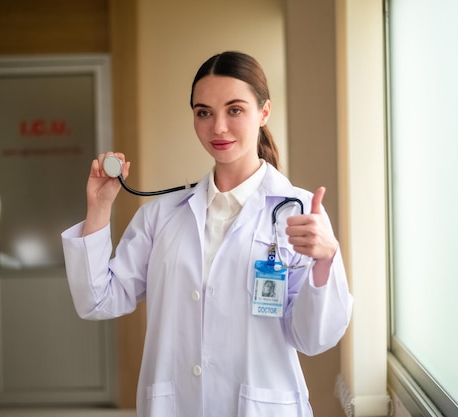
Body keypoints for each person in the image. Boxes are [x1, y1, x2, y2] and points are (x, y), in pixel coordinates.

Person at [61, 51, 353, 417]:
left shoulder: (298, 211)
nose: (218, 127)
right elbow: (98, 300)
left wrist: (325, 260)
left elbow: (313, 338)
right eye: (204, 112)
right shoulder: (161, 216)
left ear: (263, 112)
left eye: (234, 110)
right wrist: (99, 208)